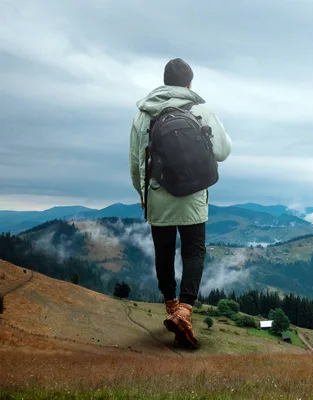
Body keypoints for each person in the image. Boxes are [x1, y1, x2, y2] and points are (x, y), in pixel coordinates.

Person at [129, 58, 232, 349]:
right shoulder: (201, 111)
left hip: (158, 194)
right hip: (193, 197)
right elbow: (223, 152)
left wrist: (142, 194)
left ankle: (172, 307)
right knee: (194, 252)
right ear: (189, 83)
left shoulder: (144, 115)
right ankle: (185, 311)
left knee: (164, 253)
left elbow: (137, 161)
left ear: (164, 81)